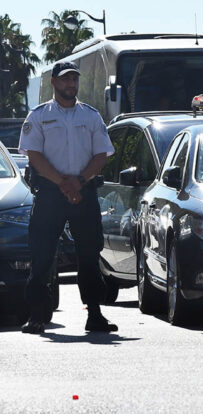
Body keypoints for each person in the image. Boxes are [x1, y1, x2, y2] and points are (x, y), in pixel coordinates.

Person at [17, 61, 117, 334]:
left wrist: (79, 181)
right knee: (42, 255)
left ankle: (94, 314)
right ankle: (37, 316)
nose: (70, 84)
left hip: (84, 191)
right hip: (51, 193)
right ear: (53, 82)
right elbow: (34, 155)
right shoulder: (39, 116)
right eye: (65, 79)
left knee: (89, 254)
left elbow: (101, 155)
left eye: (74, 79)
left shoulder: (91, 116)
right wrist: (63, 183)